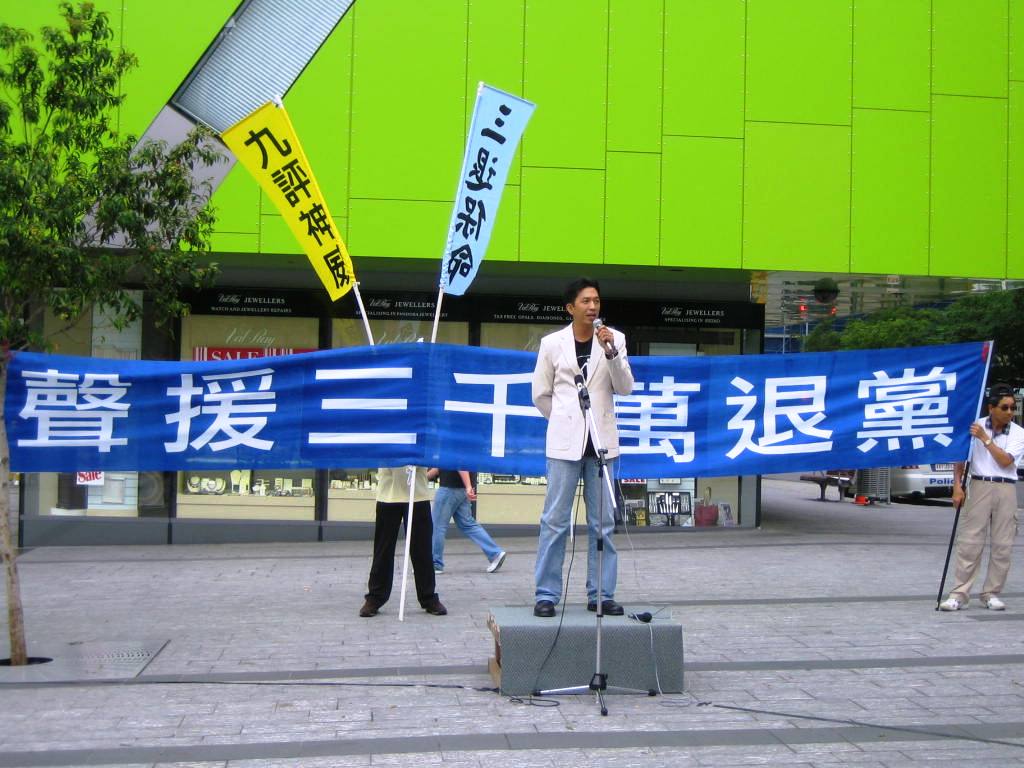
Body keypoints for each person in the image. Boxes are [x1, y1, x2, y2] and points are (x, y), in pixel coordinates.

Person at [531, 277, 634, 618]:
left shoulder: (615, 339)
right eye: (586, 301)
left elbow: (625, 387)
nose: (593, 307)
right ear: (570, 308)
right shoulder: (552, 344)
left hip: (602, 444)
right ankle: (546, 594)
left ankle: (601, 594)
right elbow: (540, 394)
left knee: (602, 523)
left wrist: (611, 352)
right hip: (564, 446)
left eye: (597, 301)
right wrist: (565, 419)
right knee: (555, 521)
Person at [940, 385, 1024, 612]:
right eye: (1004, 407)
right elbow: (961, 458)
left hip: (1006, 487)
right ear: (991, 408)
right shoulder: (975, 426)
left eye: (1012, 408)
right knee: (970, 541)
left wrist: (985, 439)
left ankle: (991, 593)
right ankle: (959, 593)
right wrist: (957, 486)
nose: (1010, 412)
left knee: (1002, 544)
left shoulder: (1018, 433)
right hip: (979, 484)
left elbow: (1005, 461)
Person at [359, 466, 447, 617]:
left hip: (417, 494)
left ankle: (428, 597)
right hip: (388, 493)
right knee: (383, 549)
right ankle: (375, 597)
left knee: (422, 549)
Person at [429, 468, 507, 574]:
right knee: (468, 524)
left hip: (449, 488)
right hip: (461, 490)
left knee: (437, 526)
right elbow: (439, 467)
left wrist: (468, 486)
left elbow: (460, 463)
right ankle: (495, 554)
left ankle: (435, 564)